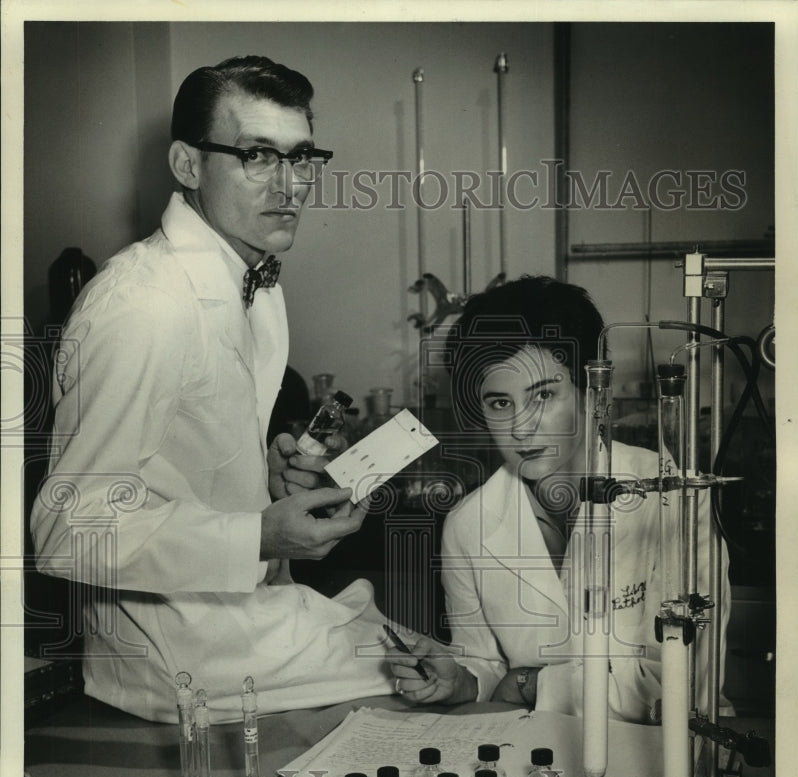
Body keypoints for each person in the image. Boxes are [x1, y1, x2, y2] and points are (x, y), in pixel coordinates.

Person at [30, 55, 397, 723]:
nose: (290, 185)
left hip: (244, 612)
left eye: (302, 158)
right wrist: (257, 535)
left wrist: (276, 478)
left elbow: (186, 469)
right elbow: (67, 531)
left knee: (448, 666)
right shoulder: (142, 305)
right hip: (176, 651)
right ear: (188, 165)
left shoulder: (251, 280)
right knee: (453, 683)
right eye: (258, 156)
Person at [388, 275, 731, 723]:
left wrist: (531, 684)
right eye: (499, 404)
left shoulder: (672, 496)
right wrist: (458, 680)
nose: (521, 428)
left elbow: (686, 684)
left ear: (592, 391)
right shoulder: (467, 524)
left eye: (544, 395)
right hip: (531, 757)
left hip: (663, 760)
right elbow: (487, 669)